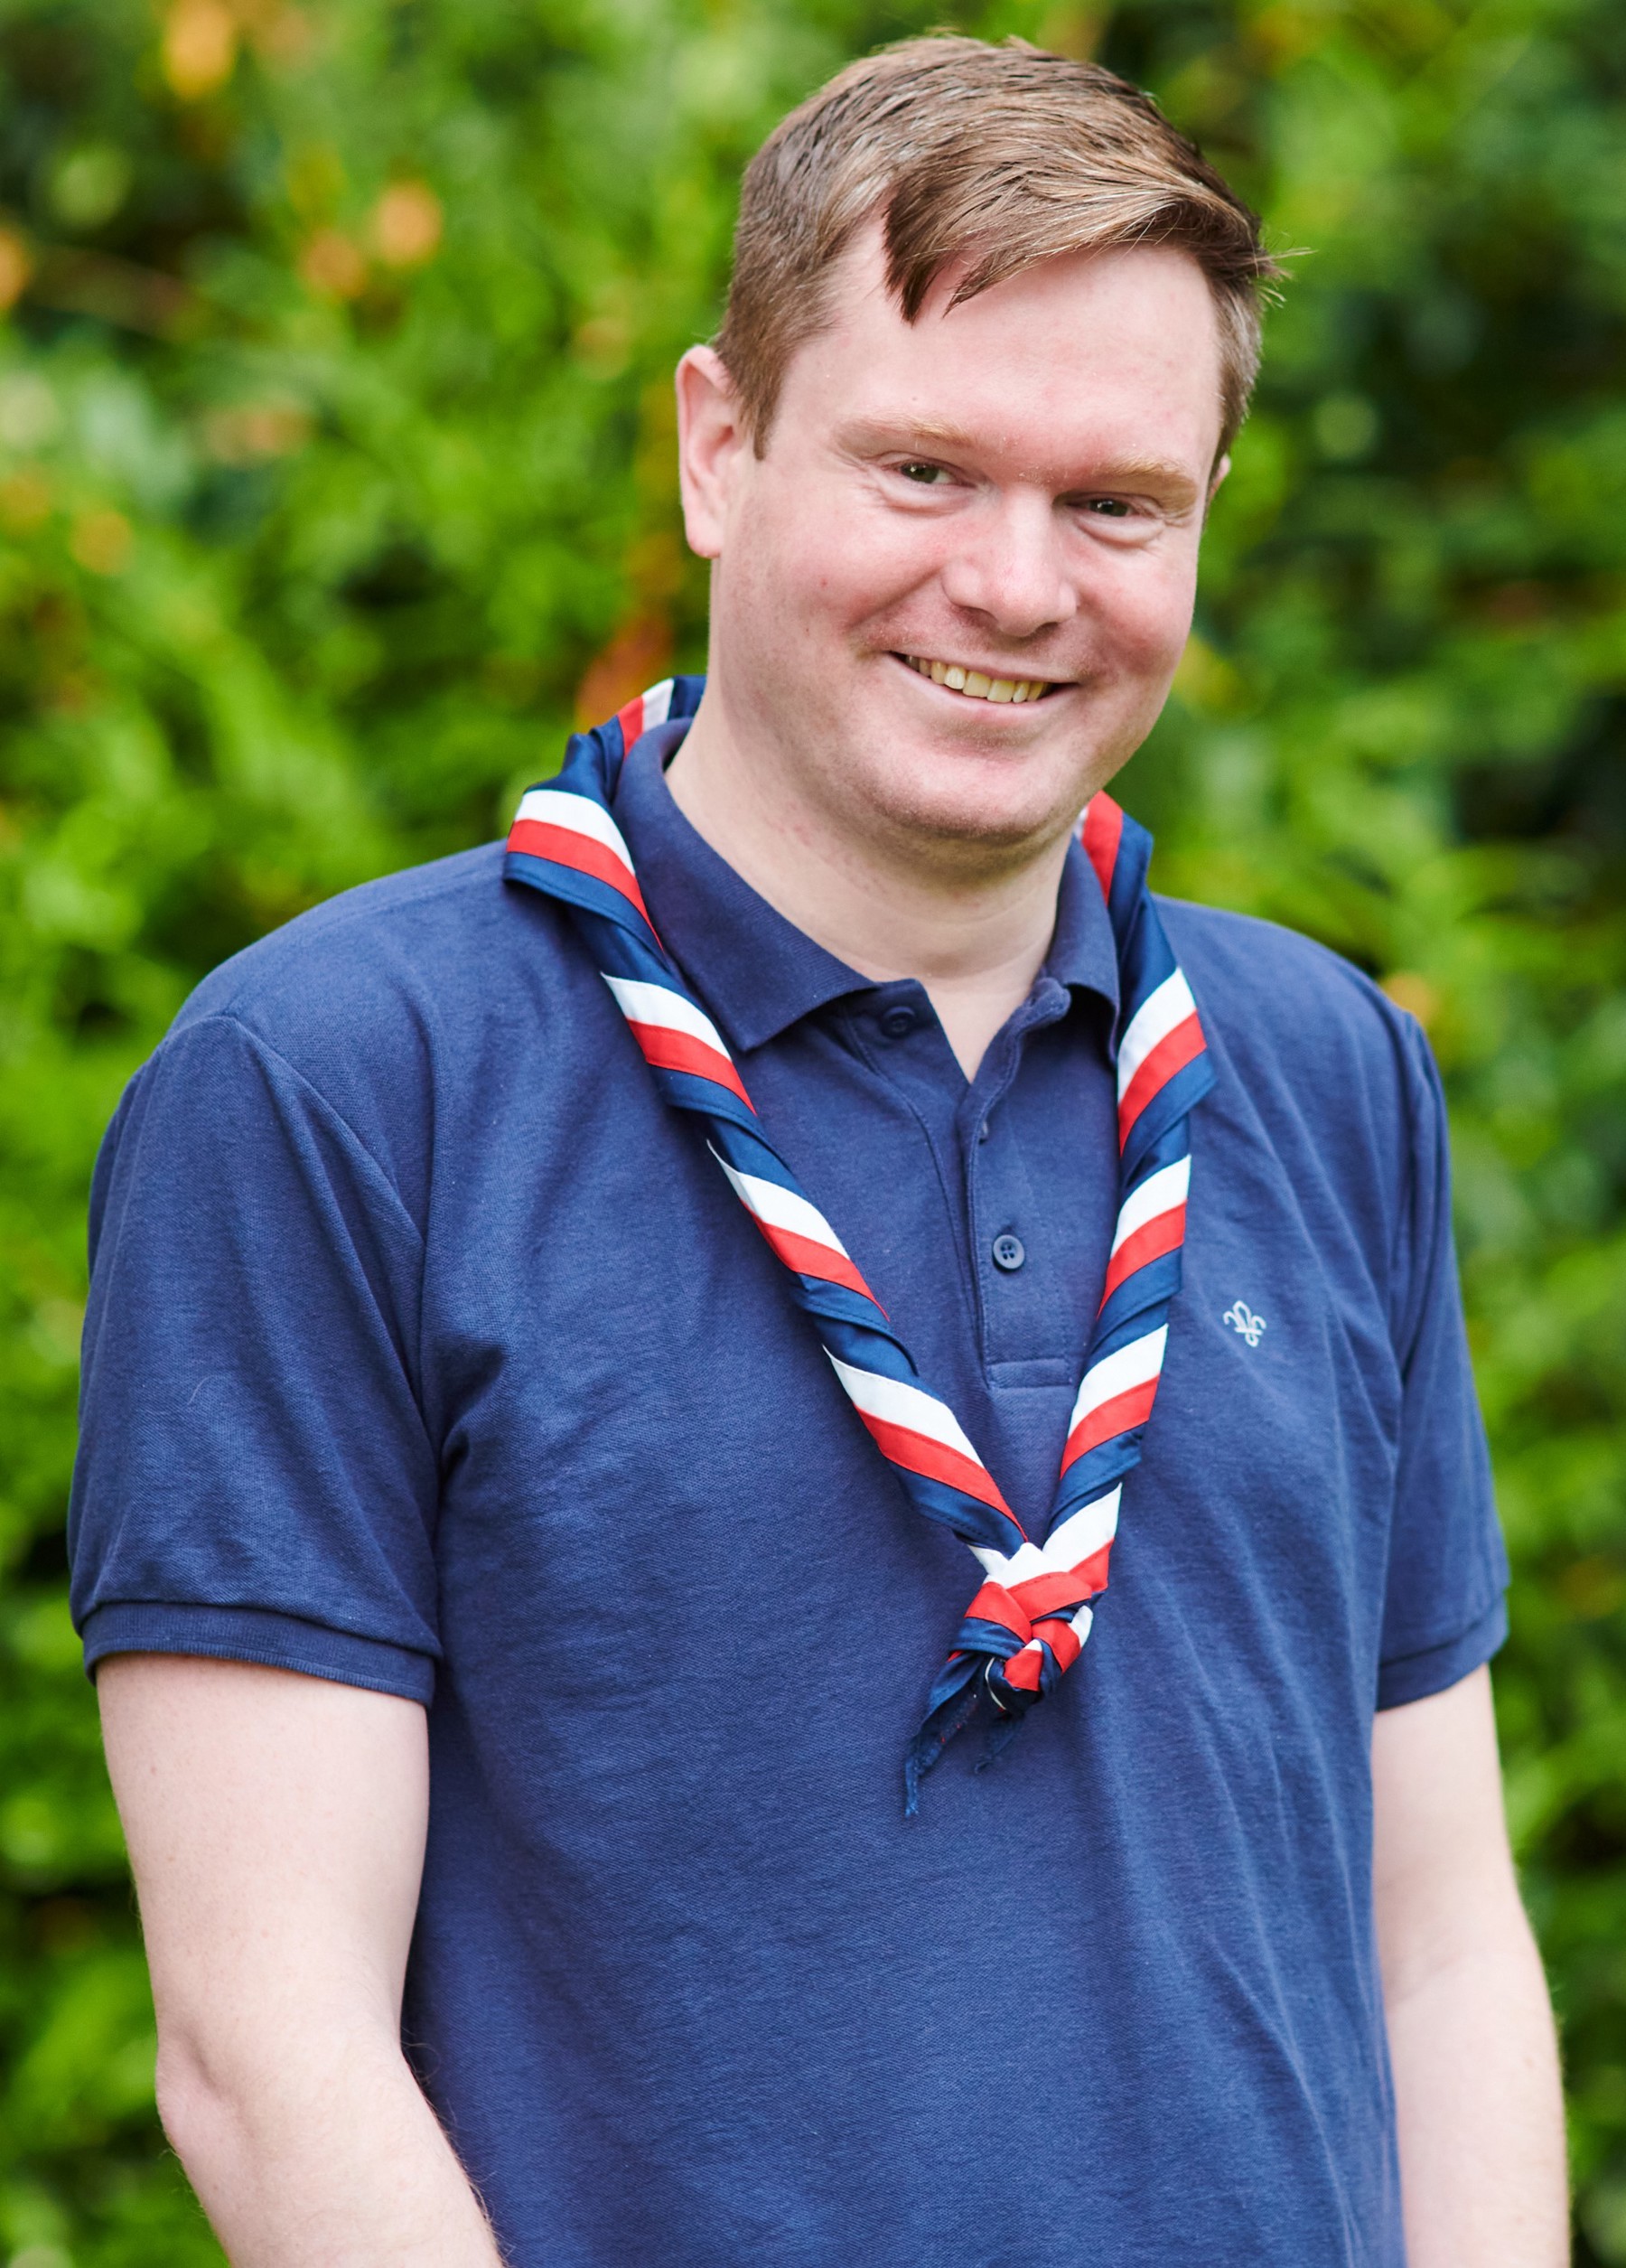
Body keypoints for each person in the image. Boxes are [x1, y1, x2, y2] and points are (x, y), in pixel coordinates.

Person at [69, 33, 1567, 2268]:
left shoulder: (1326, 1064)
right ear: (717, 446)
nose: (1016, 583)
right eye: (926, 470)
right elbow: (263, 2040)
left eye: (1116, 503)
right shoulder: (338, 1080)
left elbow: (1437, 1933)